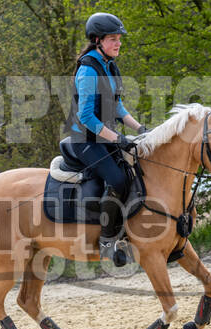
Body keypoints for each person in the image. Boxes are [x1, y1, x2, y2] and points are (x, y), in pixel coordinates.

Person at [64, 12, 147, 262]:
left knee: (136, 171)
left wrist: (141, 128)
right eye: (113, 39)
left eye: (119, 38)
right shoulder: (88, 70)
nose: (118, 43)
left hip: (104, 137)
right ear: (98, 40)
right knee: (118, 179)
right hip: (85, 141)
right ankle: (107, 241)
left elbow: (118, 107)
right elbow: (87, 117)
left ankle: (128, 231)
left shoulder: (110, 65)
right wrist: (117, 138)